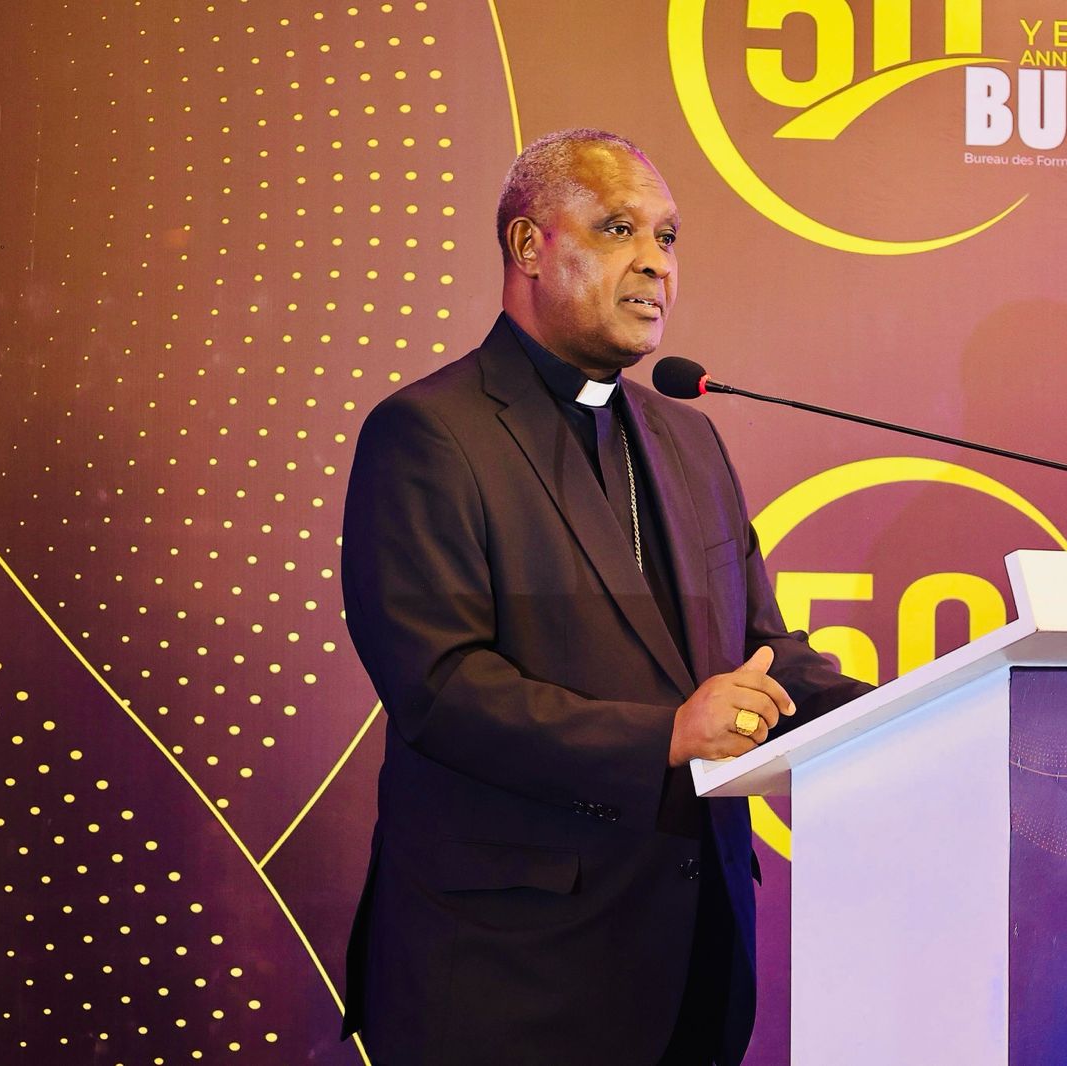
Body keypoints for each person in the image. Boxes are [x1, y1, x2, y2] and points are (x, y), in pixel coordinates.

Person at [339, 128, 870, 1066]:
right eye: (619, 229)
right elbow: (441, 690)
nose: (654, 263)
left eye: (667, 237)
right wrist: (665, 735)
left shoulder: (688, 438)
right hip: (511, 979)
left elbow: (763, 651)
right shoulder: (429, 433)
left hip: (695, 964)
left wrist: (915, 719)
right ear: (528, 245)